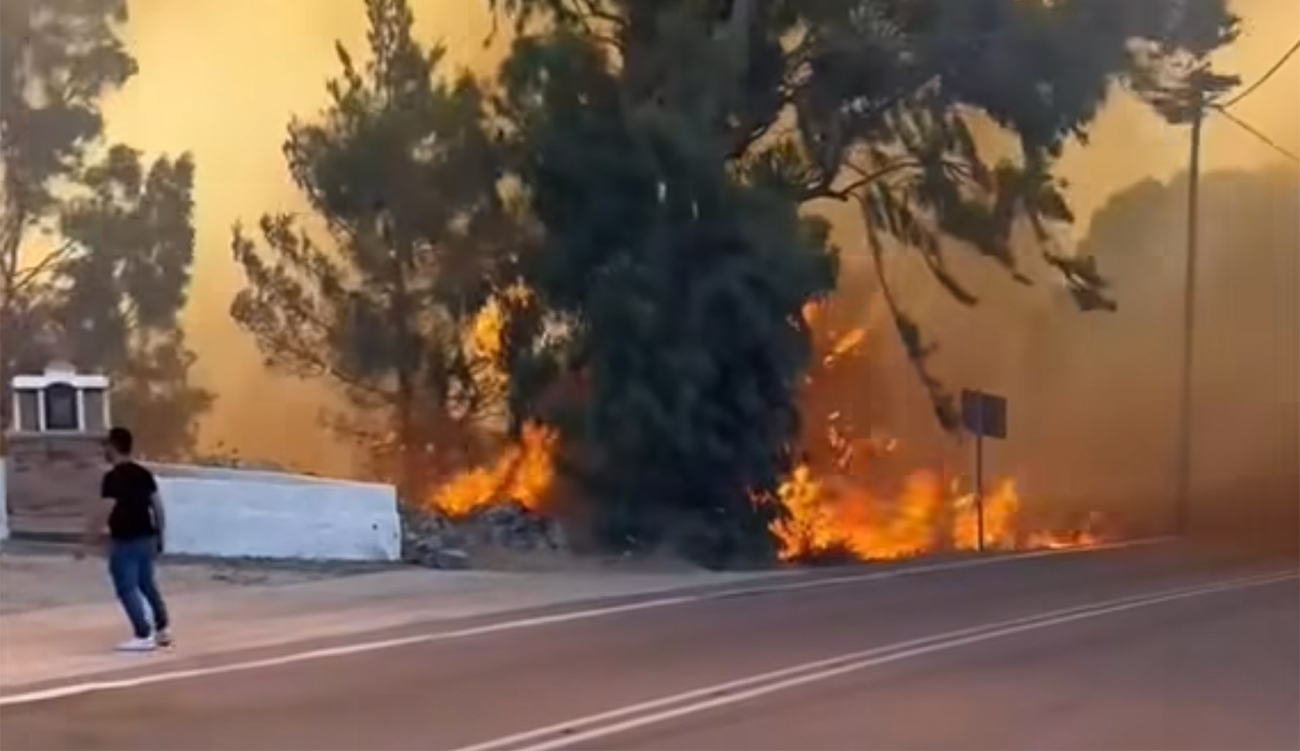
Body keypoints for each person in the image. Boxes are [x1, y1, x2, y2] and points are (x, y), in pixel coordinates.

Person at [78, 426, 173, 652]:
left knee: (126, 587)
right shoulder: (143, 474)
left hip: (126, 539)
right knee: (146, 584)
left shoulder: (113, 478)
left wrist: (86, 541)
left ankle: (143, 634)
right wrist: (160, 534)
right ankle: (162, 629)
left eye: (106, 446)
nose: (104, 450)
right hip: (147, 536)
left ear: (113, 447)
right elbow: (157, 506)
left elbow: (105, 509)